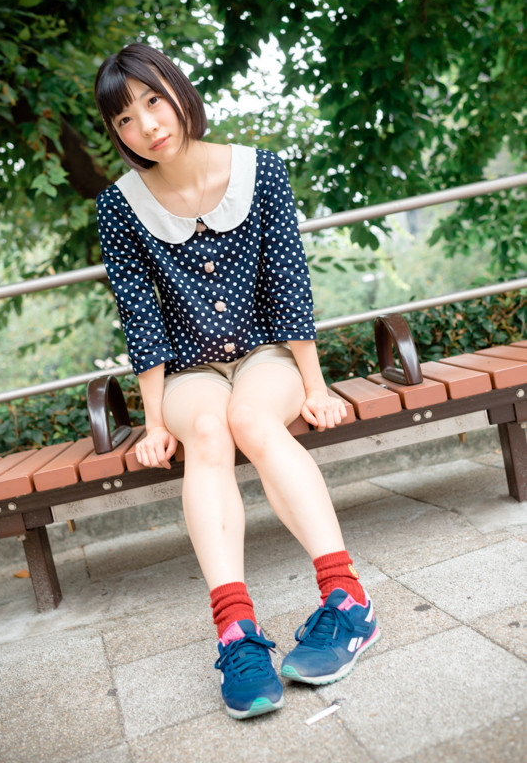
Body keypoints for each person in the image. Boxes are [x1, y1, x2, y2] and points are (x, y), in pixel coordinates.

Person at [94, 42, 380, 720]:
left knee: (250, 420)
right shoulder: (119, 206)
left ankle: (348, 601)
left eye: (153, 101)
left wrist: (314, 385)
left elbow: (289, 285)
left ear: (178, 90)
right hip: (190, 371)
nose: (146, 125)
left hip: (266, 357)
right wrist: (153, 422)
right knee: (206, 429)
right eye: (125, 119)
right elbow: (141, 317)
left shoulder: (260, 170)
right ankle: (235, 633)